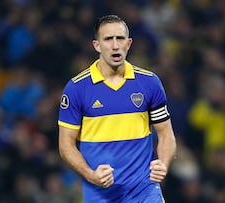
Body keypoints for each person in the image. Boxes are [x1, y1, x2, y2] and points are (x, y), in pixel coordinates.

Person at [58, 15, 177, 202]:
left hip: (144, 190)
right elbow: (66, 146)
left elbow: (166, 135)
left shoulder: (149, 83)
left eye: (120, 38)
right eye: (108, 39)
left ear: (128, 43)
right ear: (97, 45)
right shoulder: (77, 89)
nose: (115, 45)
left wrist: (163, 163)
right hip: (100, 193)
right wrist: (90, 174)